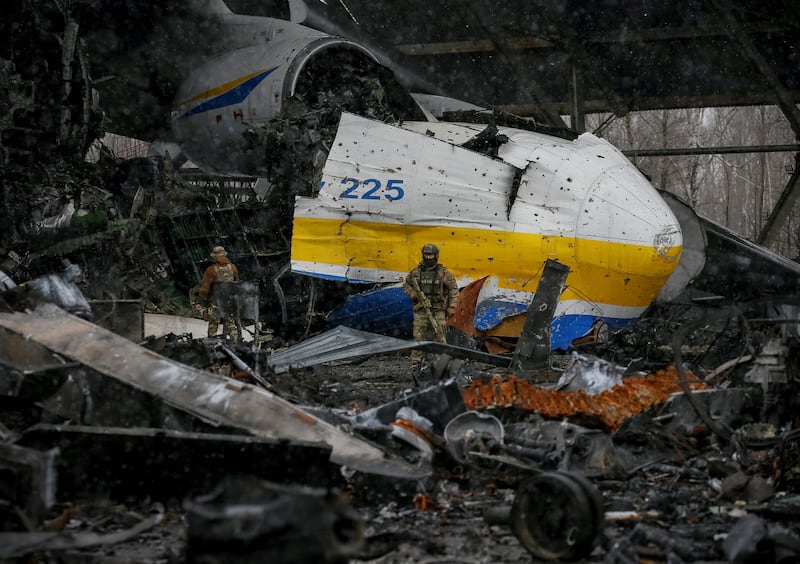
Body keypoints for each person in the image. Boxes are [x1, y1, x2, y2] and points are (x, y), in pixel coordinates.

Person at [402, 243, 459, 369]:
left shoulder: (443, 273)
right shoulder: (416, 272)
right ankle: (416, 363)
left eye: (431, 255)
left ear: (436, 255)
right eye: (426, 255)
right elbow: (406, 285)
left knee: (440, 337)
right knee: (418, 337)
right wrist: (412, 293)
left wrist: (452, 307)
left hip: (438, 310)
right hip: (421, 310)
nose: (429, 258)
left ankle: (441, 363)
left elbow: (454, 290)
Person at [195, 245, 240, 339]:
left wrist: (199, 302)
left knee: (213, 323)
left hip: (216, 302)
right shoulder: (233, 267)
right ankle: (236, 341)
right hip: (229, 301)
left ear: (214, 257)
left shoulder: (211, 270)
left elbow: (205, 288)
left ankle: (212, 343)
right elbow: (236, 283)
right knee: (231, 323)